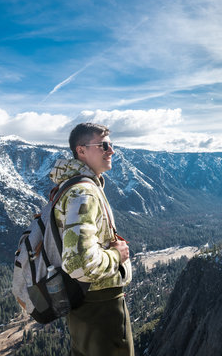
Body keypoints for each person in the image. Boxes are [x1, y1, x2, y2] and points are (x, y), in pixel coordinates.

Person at [48, 122, 134, 356]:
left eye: (111, 144)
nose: (111, 151)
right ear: (81, 150)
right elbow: (80, 263)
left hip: (85, 303)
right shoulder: (83, 192)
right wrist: (117, 255)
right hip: (100, 306)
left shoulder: (71, 186)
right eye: (104, 145)